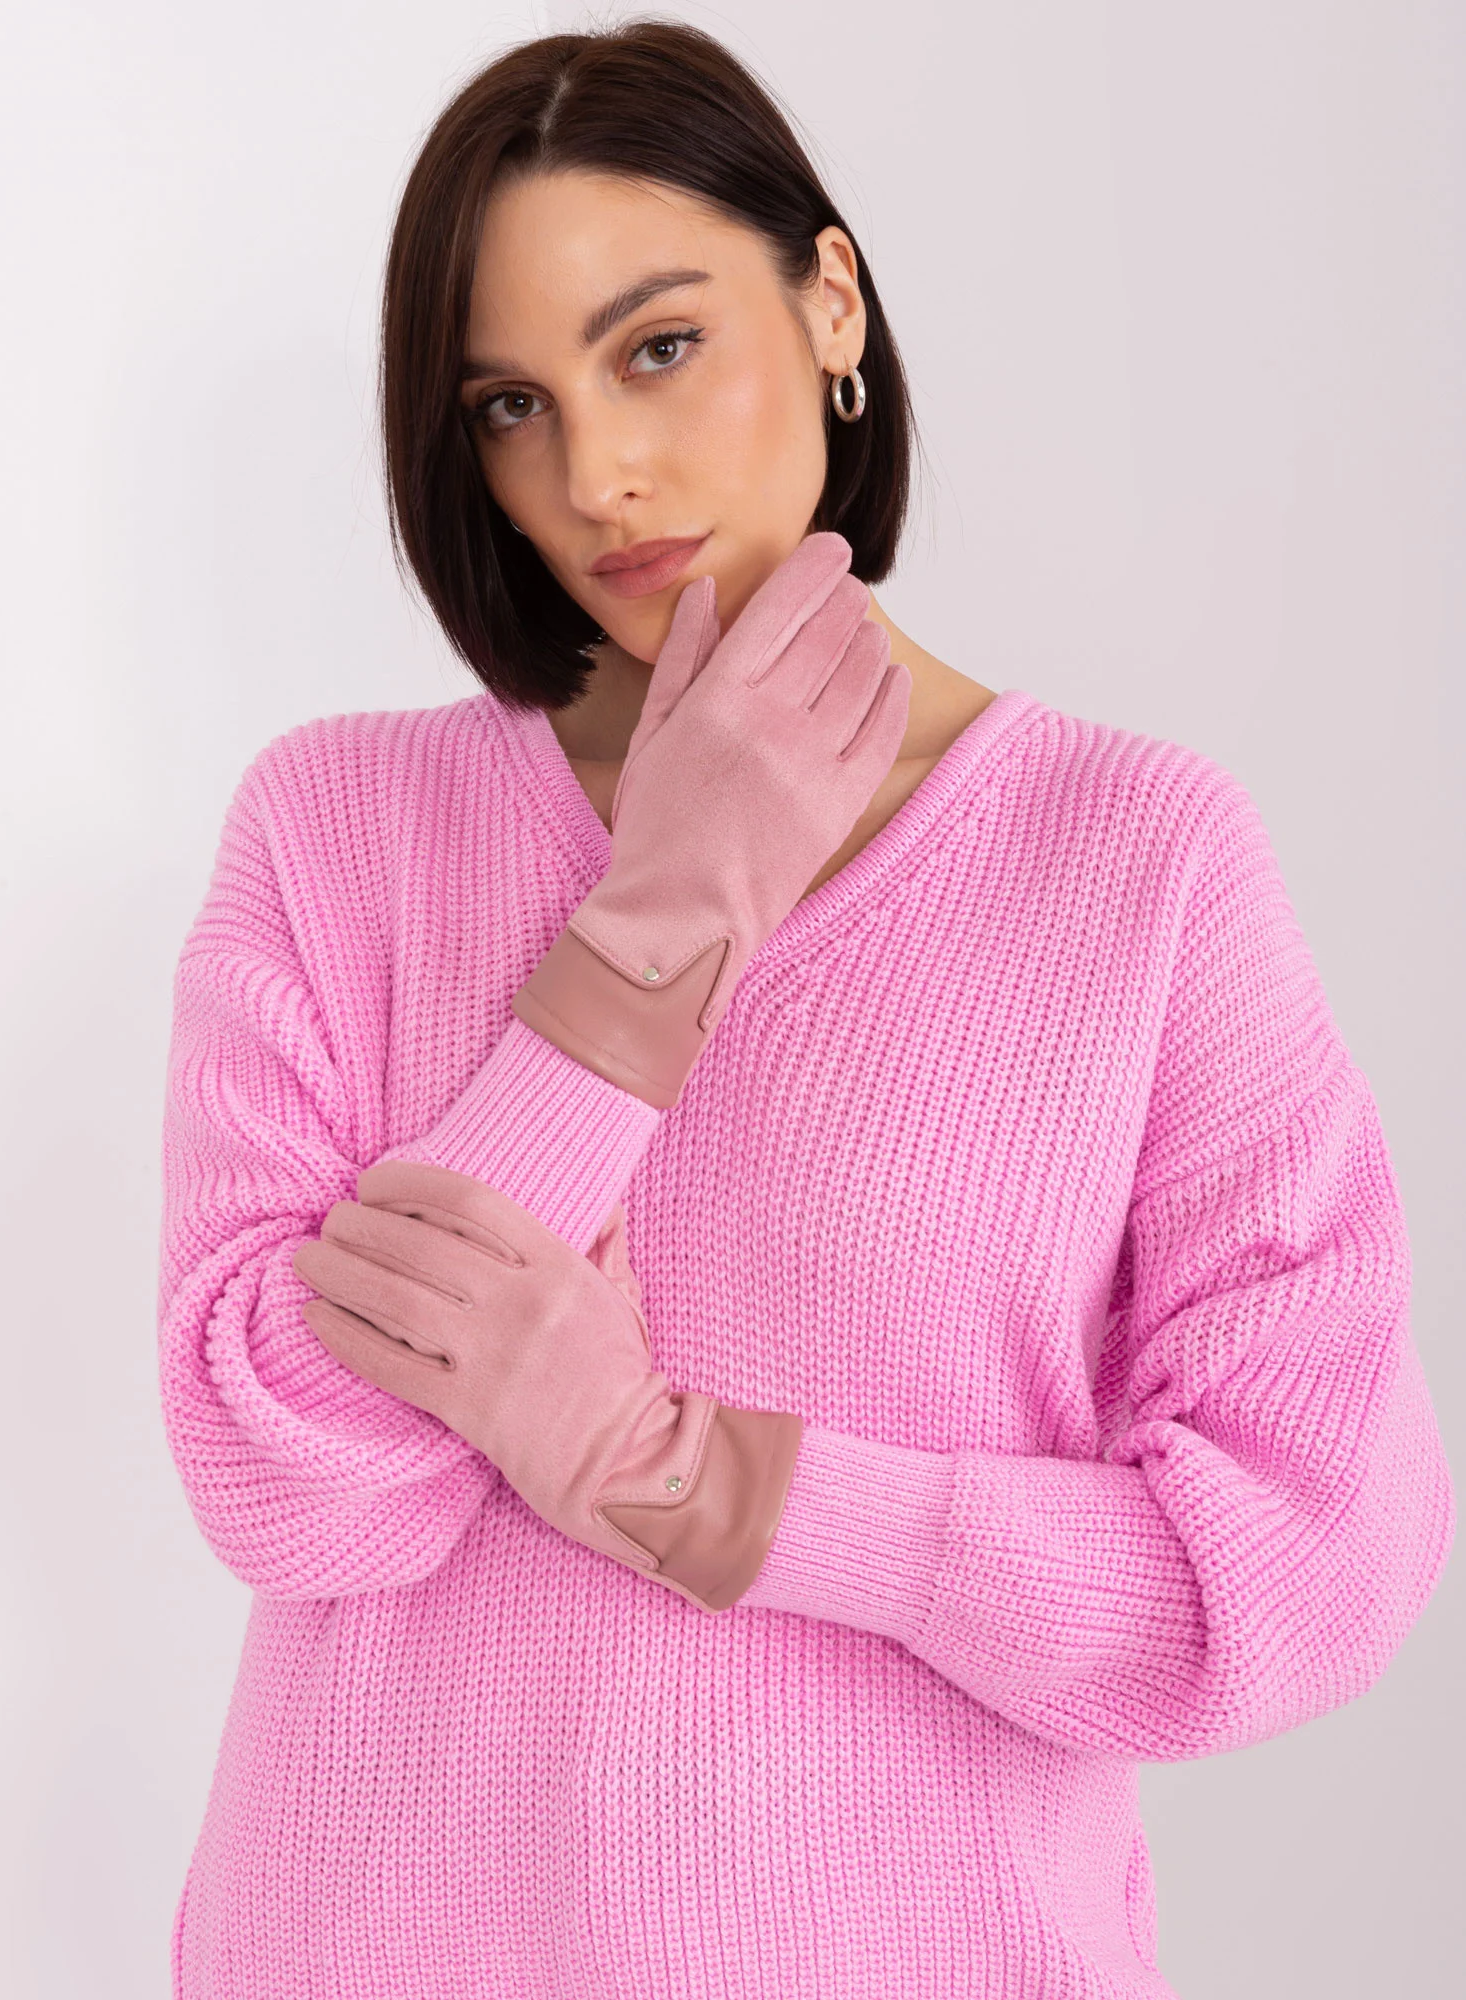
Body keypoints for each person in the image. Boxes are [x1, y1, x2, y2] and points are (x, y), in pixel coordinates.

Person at [156, 20, 1454, 1999]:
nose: (595, 473)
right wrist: (652, 936)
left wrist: (709, 1487)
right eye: (510, 403)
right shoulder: (338, 830)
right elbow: (279, 1479)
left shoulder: (1140, 861)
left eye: (658, 347)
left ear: (830, 300)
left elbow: (1292, 1570)